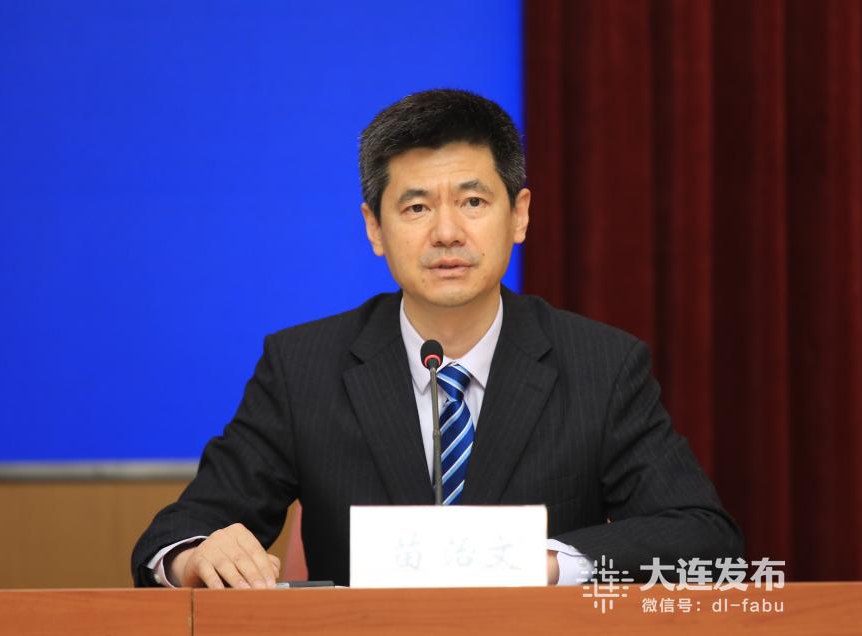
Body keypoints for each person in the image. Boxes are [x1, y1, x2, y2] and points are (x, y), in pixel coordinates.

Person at [132, 89, 743, 589]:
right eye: (417, 208)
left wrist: (546, 564)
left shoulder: (601, 365)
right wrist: (195, 557)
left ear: (520, 214)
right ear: (374, 228)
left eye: (473, 201)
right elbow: (177, 534)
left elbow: (705, 539)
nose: (447, 232)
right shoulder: (303, 368)